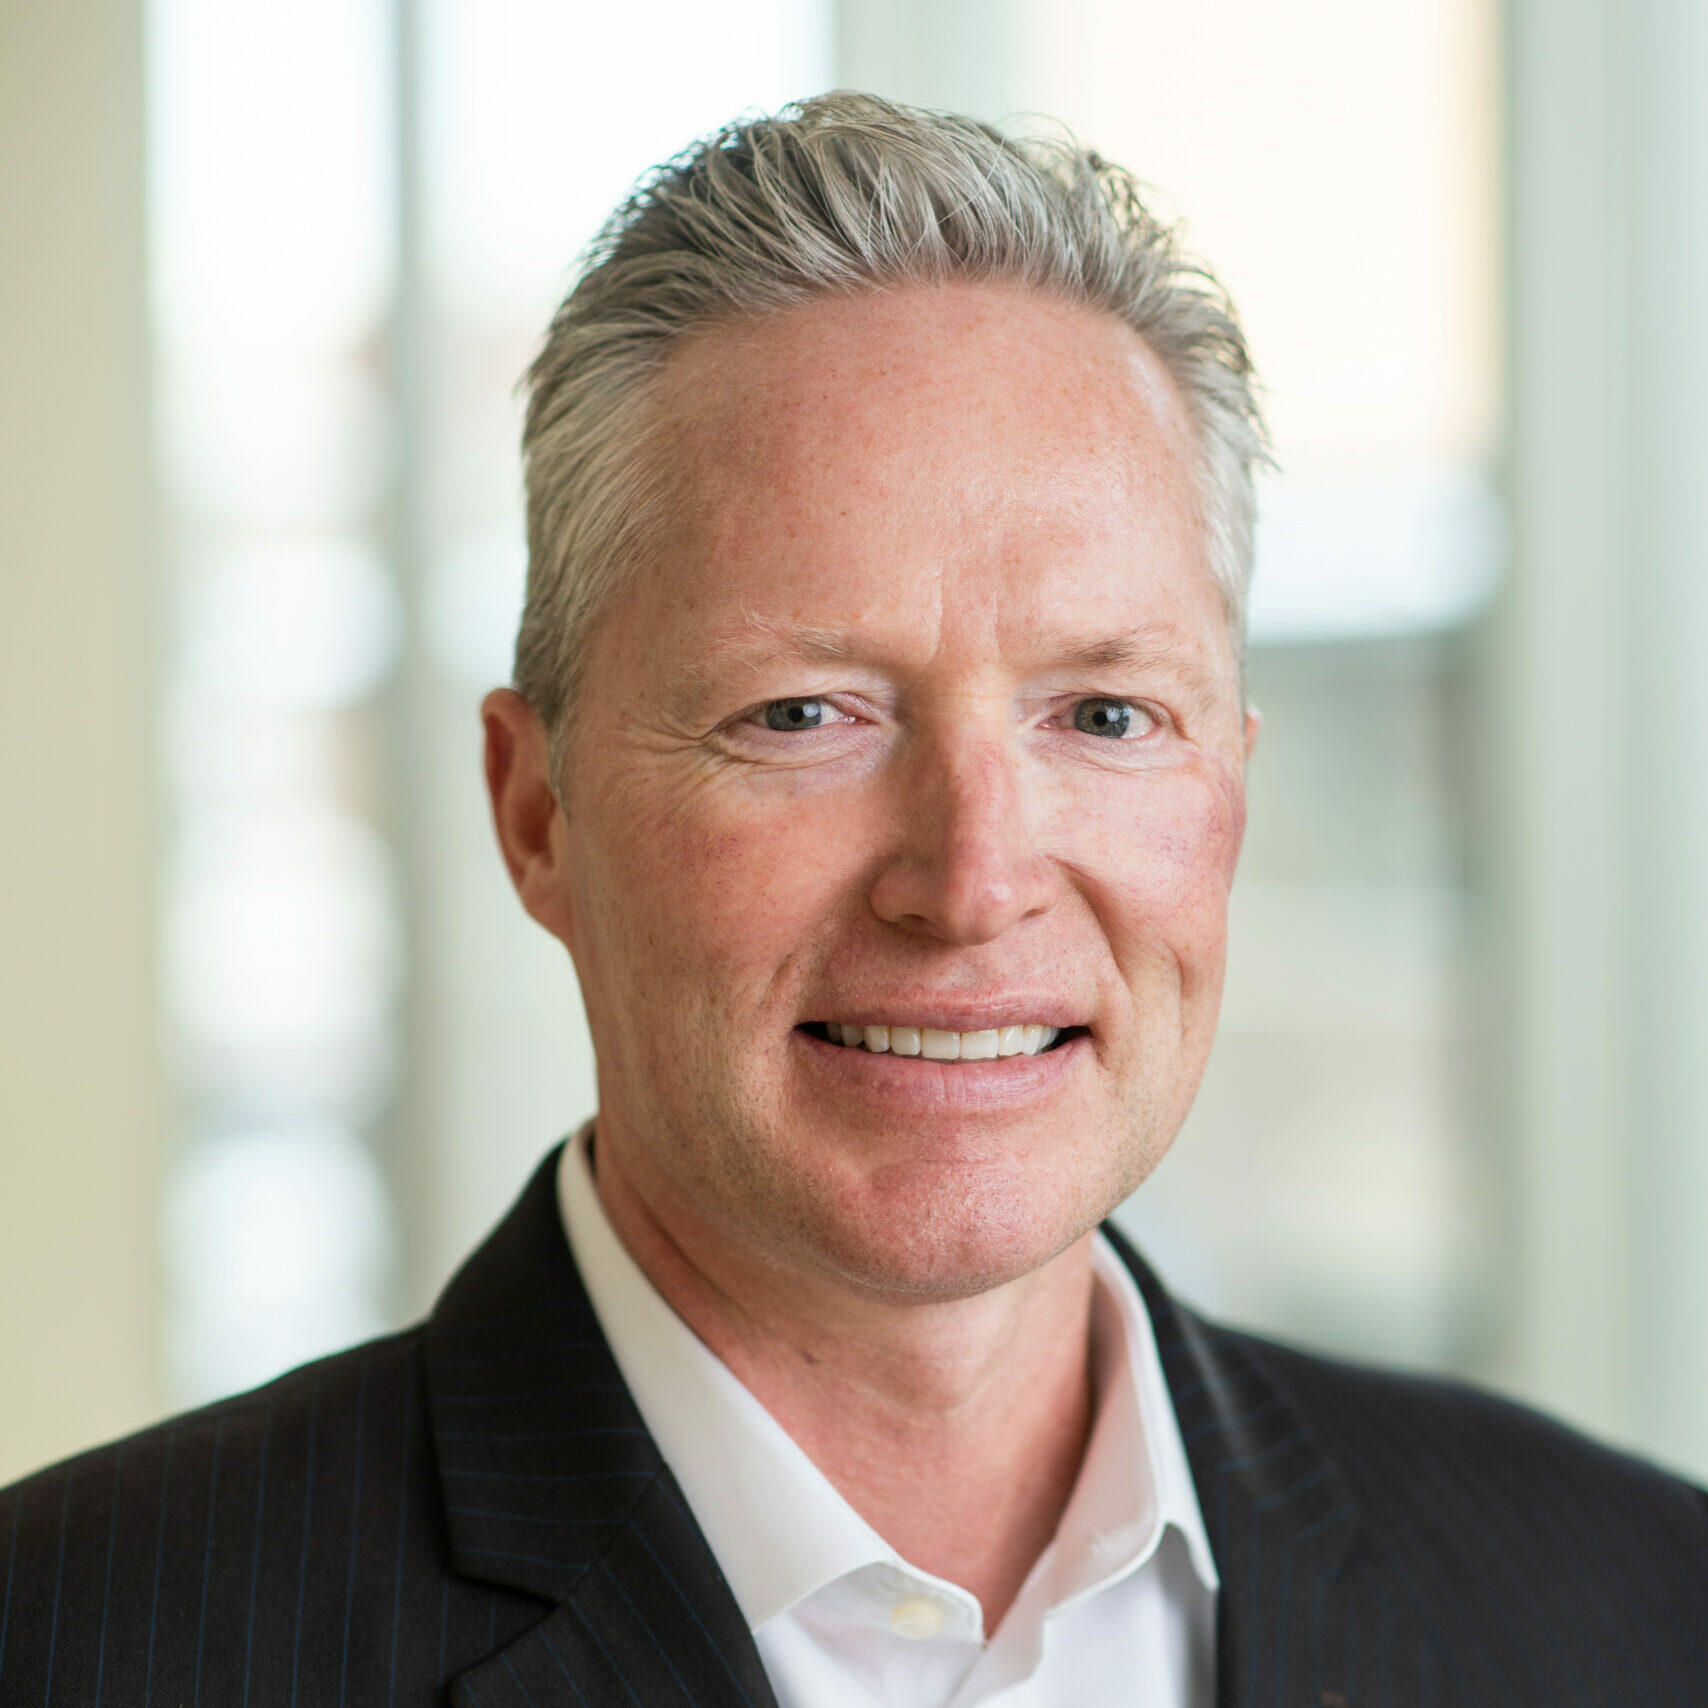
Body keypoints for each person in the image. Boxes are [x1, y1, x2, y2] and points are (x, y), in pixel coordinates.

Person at [0, 92, 1702, 1708]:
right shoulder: (81, 1639)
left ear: (1229, 797)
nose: (971, 884)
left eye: (1105, 715)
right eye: (802, 715)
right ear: (536, 814)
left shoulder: (1635, 1603)